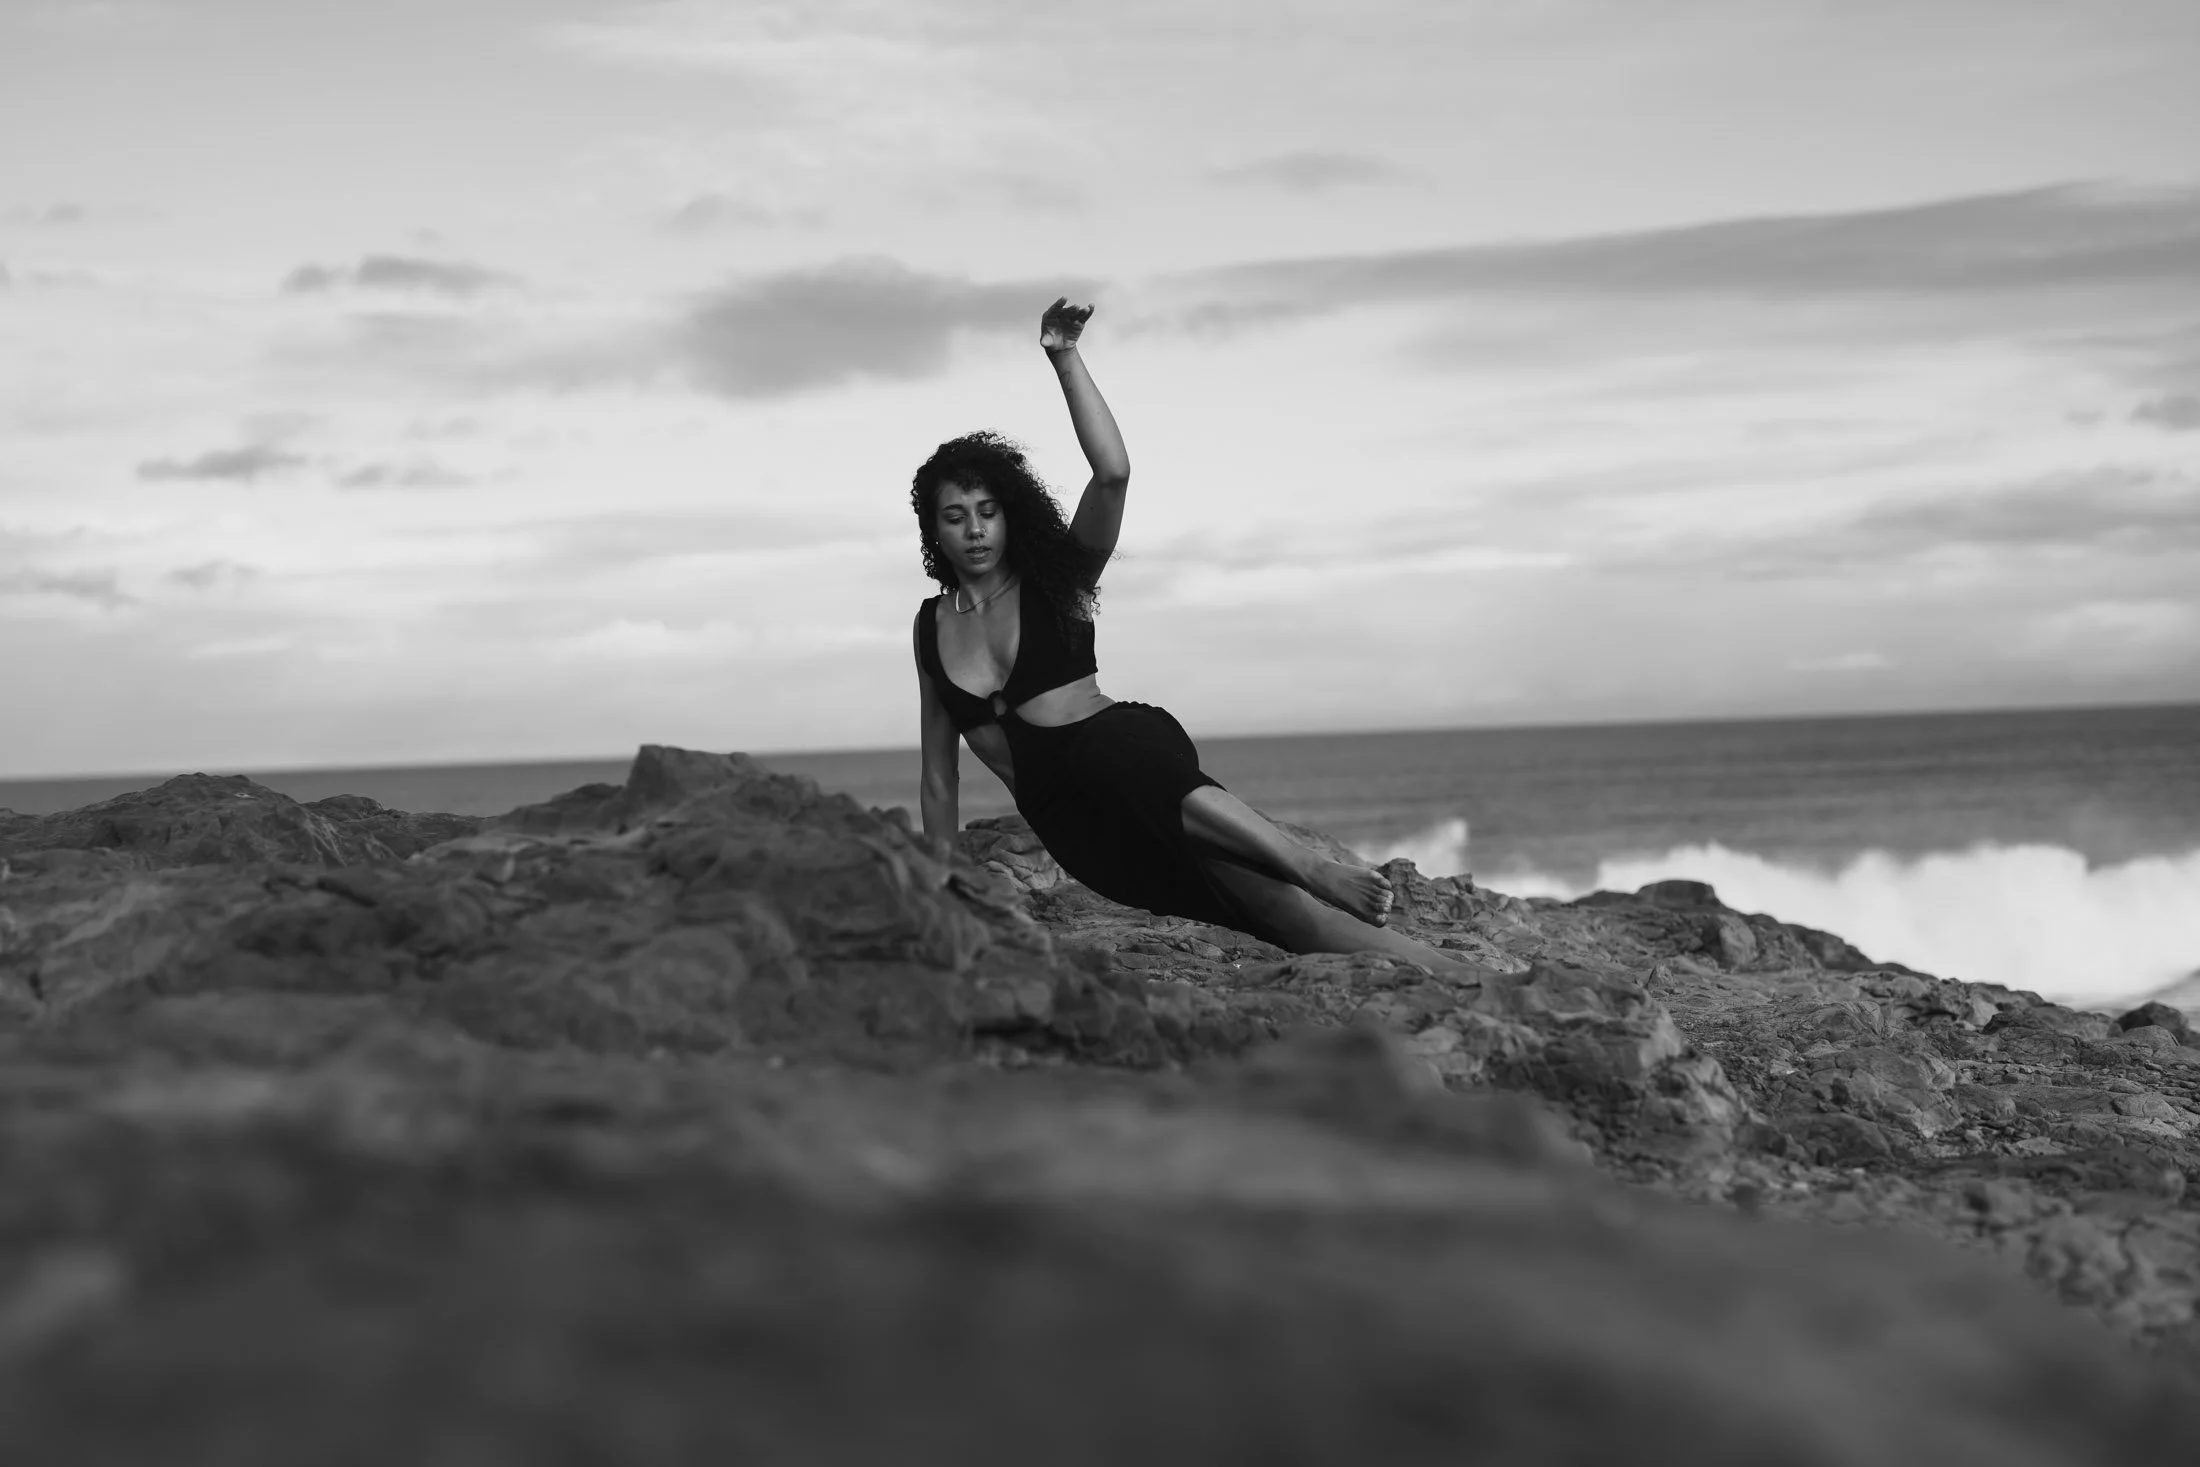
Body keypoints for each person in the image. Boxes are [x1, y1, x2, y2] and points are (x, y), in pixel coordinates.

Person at [911, 297, 1476, 975]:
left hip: (1129, 754)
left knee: (1112, 755)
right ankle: (1471, 980)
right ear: (934, 531)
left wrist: (1064, 356)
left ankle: (1307, 863)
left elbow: (1113, 473)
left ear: (1009, 517)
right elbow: (940, 775)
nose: (974, 529)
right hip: (1077, 827)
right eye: (955, 516)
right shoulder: (930, 628)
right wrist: (940, 889)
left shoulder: (1054, 580)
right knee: (1278, 915)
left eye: (987, 511)